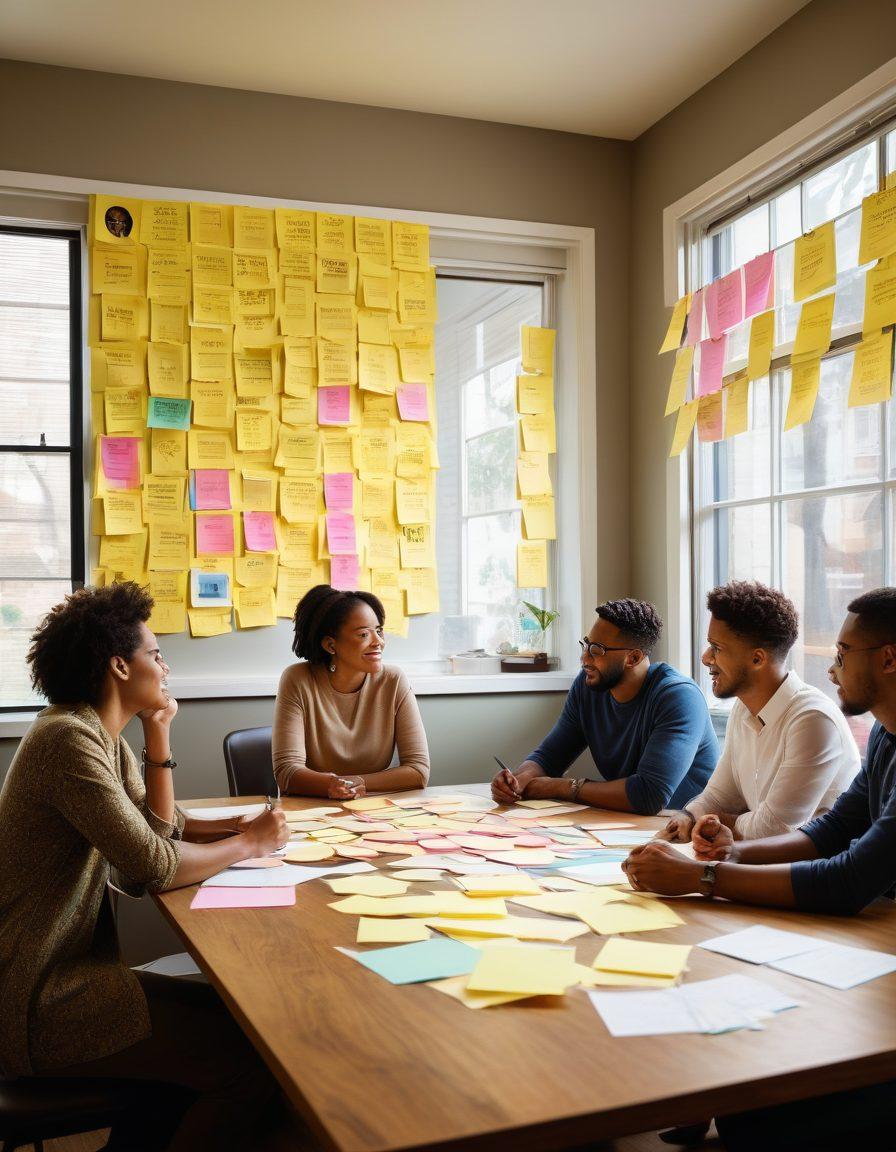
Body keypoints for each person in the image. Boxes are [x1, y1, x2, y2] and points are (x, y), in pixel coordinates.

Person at [0, 583, 290, 1152]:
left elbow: (155, 834)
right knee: (253, 1064)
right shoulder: (67, 740)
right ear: (118, 665)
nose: (165, 665)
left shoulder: (94, 733)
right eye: (156, 653)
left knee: (248, 1026)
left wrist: (158, 731)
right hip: (37, 997)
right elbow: (155, 867)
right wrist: (249, 844)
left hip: (66, 978)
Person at [623, 587, 896, 1152]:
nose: (832, 667)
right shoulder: (886, 737)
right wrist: (731, 854)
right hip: (872, 935)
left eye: (843, 653)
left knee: (753, 1122)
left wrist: (699, 878)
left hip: (871, 935)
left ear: (889, 659)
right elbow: (829, 831)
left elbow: (848, 879)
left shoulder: (816, 717)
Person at [656, 581, 859, 850]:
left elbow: (774, 829)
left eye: (716, 647)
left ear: (757, 659)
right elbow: (720, 794)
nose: (705, 658)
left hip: (813, 870)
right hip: (763, 863)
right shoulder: (743, 709)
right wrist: (688, 817)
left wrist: (716, 821)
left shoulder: (812, 720)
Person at [491, 599, 718, 813]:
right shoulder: (588, 686)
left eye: (597, 650)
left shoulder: (679, 697)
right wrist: (519, 780)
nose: (584, 659)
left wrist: (559, 787)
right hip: (626, 825)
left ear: (633, 658)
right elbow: (549, 757)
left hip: (687, 826)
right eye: (586, 645)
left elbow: (649, 795)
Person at [273, 584, 430, 799]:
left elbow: (418, 771)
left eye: (378, 631)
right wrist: (331, 785)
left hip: (372, 809)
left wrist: (359, 783)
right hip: (310, 808)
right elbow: (287, 772)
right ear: (331, 645)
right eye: (364, 634)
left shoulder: (393, 681)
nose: (378, 642)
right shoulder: (298, 680)